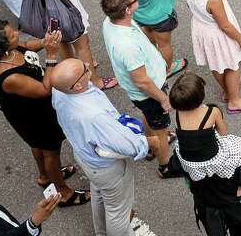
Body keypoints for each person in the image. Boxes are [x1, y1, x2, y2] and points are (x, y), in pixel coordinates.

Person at [0, 22, 88, 205]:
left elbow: (25, 47)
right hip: (32, 113)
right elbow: (44, 89)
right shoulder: (10, 77)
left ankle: (45, 176)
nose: (17, 34)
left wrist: (44, 41)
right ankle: (63, 192)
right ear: (2, 48)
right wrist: (51, 54)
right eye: (12, 36)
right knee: (51, 150)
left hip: (29, 106)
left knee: (37, 145)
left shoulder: (4, 51)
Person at [48, 58, 160, 236]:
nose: (88, 66)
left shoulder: (59, 91)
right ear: (76, 86)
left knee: (100, 193)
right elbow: (125, 144)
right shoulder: (93, 115)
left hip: (86, 158)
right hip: (107, 168)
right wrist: (149, 143)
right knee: (118, 213)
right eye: (85, 69)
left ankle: (101, 232)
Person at [100, 0, 184, 180]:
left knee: (150, 117)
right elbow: (142, 82)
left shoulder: (111, 22)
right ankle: (165, 166)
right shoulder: (127, 46)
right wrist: (163, 98)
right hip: (150, 93)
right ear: (128, 10)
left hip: (145, 95)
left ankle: (148, 145)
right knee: (161, 132)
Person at [169, 72, 241, 235]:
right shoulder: (211, 112)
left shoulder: (178, 114)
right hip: (214, 158)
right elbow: (223, 132)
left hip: (189, 158)